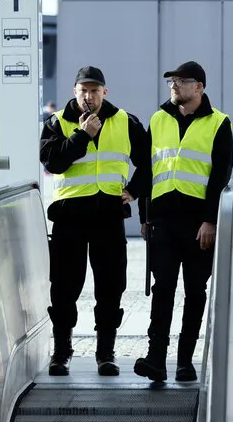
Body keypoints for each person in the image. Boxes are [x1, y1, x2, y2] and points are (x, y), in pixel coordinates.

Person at [39, 66, 150, 377]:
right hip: (69, 217)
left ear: (105, 92)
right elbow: (53, 162)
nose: (88, 96)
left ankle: (105, 352)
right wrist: (82, 135)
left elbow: (149, 162)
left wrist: (134, 190)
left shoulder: (126, 122)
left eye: (94, 90)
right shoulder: (57, 122)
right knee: (63, 287)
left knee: (110, 287)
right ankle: (62, 351)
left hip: (108, 217)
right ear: (75, 92)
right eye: (83, 90)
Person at [134, 61, 233, 383]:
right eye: (171, 82)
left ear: (199, 87)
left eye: (180, 81)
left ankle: (185, 362)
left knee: (195, 291)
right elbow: (149, 170)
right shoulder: (158, 119)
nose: (174, 86)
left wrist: (210, 220)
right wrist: (143, 214)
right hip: (162, 220)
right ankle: (156, 359)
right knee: (162, 288)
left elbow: (220, 175)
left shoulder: (219, 123)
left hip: (197, 225)